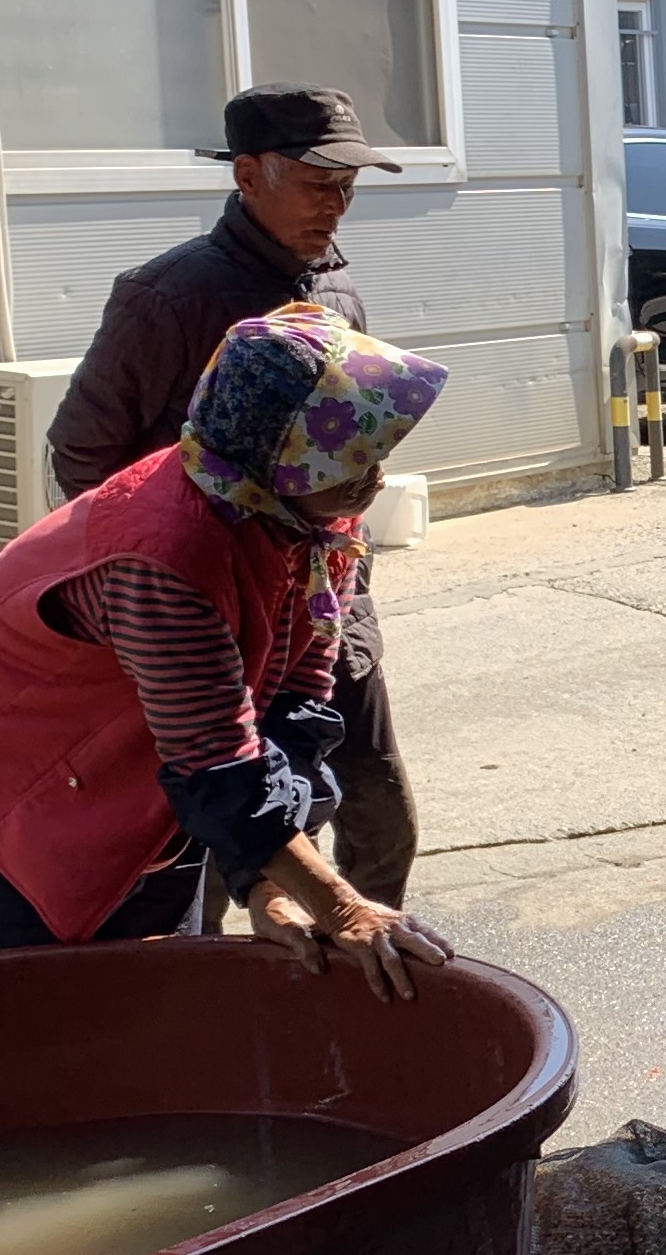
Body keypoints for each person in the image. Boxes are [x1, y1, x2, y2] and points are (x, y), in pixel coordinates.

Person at [0, 301, 453, 995]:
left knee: (158, 984)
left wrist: (269, 883)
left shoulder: (317, 514)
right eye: (351, 460)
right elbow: (216, 766)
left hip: (160, 745)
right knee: (17, 1001)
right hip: (20, 758)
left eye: (375, 455)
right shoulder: (165, 557)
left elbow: (298, 696)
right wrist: (340, 906)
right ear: (274, 460)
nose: (375, 478)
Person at [50, 86, 421, 910]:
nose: (337, 205)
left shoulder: (337, 291)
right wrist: (169, 579)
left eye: (348, 186)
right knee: (235, 840)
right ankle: (239, 976)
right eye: (318, 183)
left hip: (324, 606)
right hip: (210, 619)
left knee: (379, 817)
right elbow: (81, 454)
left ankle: (363, 971)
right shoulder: (167, 298)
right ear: (249, 175)